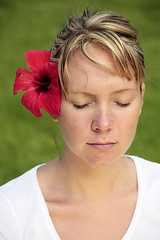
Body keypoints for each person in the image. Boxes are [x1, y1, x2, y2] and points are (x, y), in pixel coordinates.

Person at [0, 8, 160, 240]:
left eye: (122, 102)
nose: (103, 124)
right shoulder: (11, 214)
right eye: (82, 104)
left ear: (141, 98)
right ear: (53, 104)